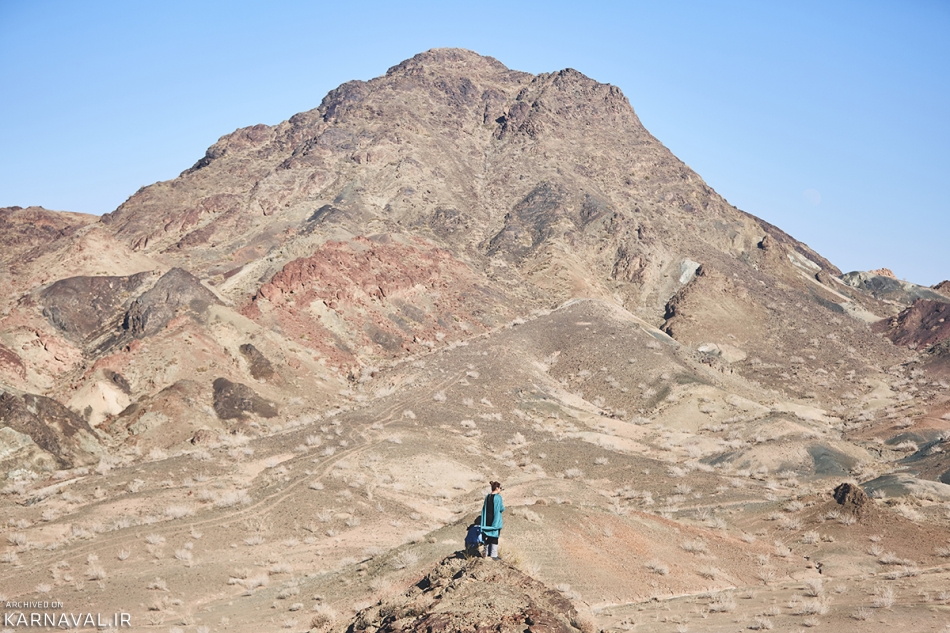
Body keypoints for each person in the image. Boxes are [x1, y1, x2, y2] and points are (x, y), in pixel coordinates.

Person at [479, 481, 504, 558]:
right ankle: (493, 555)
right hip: (495, 519)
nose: (500, 490)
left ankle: (486, 554)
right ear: (497, 488)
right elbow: (501, 508)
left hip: (487, 519)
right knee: (494, 536)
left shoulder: (487, 496)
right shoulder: (498, 497)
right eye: (500, 488)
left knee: (488, 535)